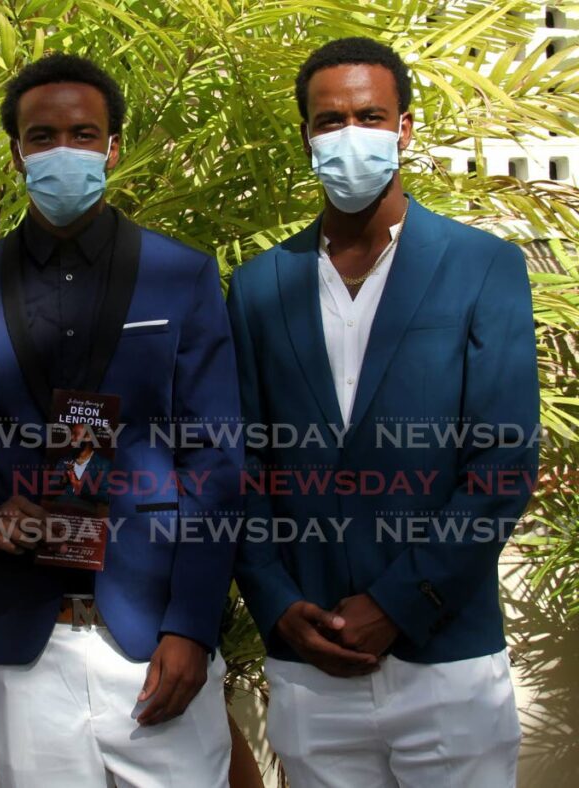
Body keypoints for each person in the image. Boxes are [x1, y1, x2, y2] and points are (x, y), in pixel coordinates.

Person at [228, 37, 539, 787]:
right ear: (307, 135)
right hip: (310, 658)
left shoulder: (482, 266)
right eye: (329, 120)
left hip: (446, 658)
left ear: (404, 128)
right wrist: (275, 599)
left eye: (369, 117)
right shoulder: (258, 286)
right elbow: (240, 461)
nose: (349, 135)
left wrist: (401, 602)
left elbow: (502, 463)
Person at [0, 53, 242, 787]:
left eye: (83, 134)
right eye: (42, 137)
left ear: (113, 148)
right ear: (16, 153)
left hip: (154, 639)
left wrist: (192, 626)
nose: (62, 150)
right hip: (28, 643)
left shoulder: (183, 276)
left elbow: (216, 462)